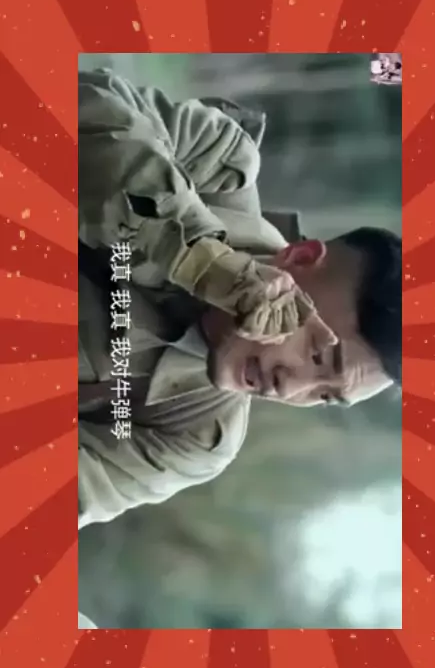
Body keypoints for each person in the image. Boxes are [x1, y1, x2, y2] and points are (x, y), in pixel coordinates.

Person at [78, 69, 401, 529]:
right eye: (317, 355)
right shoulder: (216, 164)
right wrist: (205, 263)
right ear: (301, 258)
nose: (289, 389)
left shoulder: (195, 435)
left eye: (324, 395)